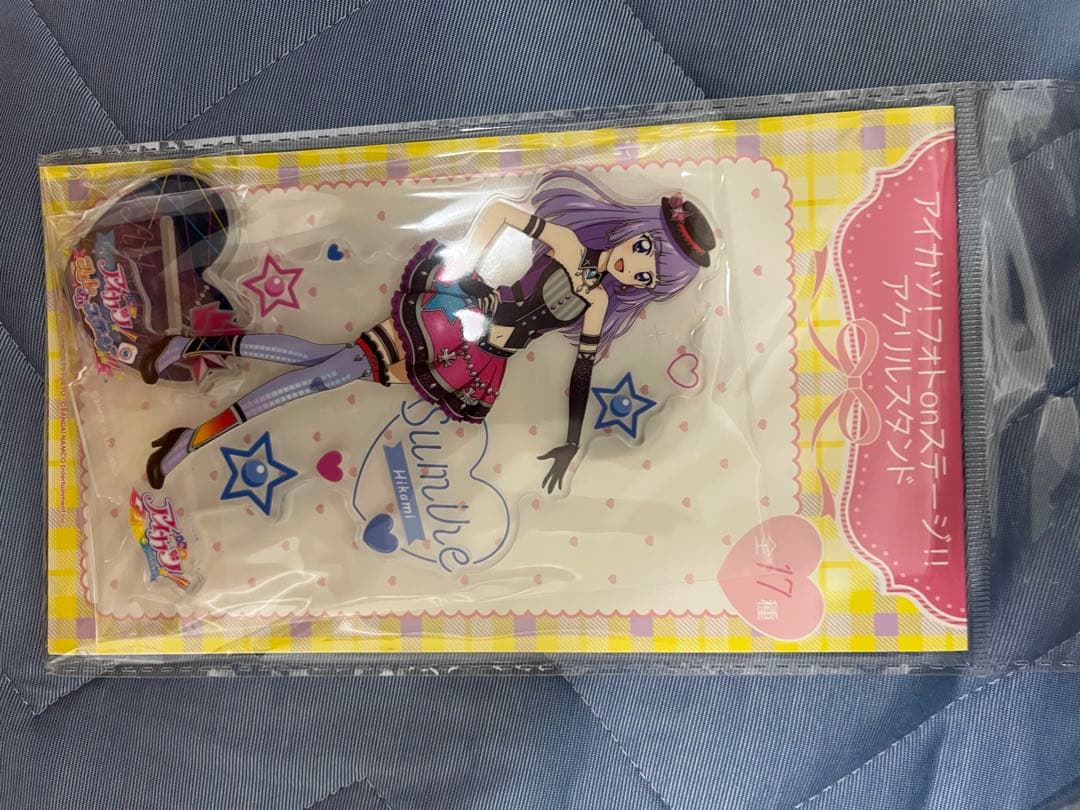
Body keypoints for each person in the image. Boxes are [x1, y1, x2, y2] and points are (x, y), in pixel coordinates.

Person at [141, 169, 716, 493]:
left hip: (473, 364)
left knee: (322, 360)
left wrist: (570, 441)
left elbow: (582, 377)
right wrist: (470, 271)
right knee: (324, 377)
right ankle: (191, 440)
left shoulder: (598, 304)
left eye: (649, 276)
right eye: (645, 248)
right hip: (447, 324)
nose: (636, 266)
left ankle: (187, 348)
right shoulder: (566, 244)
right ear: (633, 228)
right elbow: (498, 213)